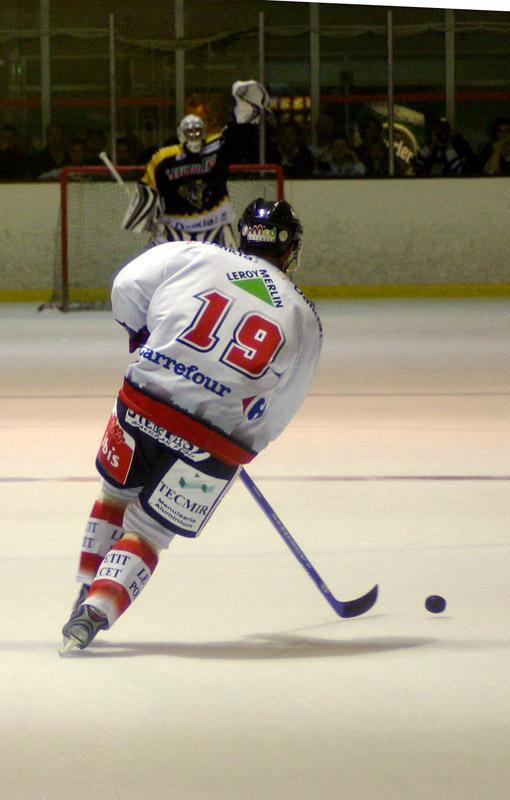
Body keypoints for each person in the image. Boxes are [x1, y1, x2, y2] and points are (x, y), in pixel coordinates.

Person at [60, 197, 322, 654]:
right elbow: (285, 403)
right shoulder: (304, 316)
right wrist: (245, 442)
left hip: (145, 400)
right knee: (149, 531)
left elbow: (126, 286)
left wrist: (142, 334)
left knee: (114, 497)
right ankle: (95, 612)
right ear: (290, 250)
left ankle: (84, 590)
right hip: (215, 440)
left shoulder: (195, 254)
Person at [122, 80, 270, 248]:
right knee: (152, 264)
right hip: (175, 231)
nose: (193, 135)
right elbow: (148, 191)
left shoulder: (216, 148)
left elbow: (237, 134)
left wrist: (245, 109)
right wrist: (146, 215)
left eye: (197, 131)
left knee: (227, 269)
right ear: (180, 134)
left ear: (205, 132)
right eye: (189, 131)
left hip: (216, 227)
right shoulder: (163, 159)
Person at [412, 117, 479, 177]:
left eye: (446, 131)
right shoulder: (430, 149)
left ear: (452, 132)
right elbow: (416, 167)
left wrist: (448, 148)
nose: (442, 135)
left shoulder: (462, 147)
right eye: (438, 131)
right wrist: (429, 147)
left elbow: (462, 173)